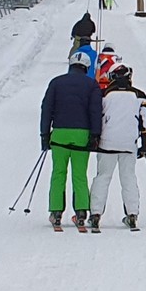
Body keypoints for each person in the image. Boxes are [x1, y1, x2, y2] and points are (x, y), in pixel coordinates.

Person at [40, 54, 104, 231]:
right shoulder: (92, 85)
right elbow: (95, 111)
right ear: (86, 67)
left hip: (59, 134)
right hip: (81, 135)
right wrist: (95, 135)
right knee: (79, 174)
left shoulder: (56, 82)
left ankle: (56, 212)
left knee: (58, 173)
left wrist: (44, 135)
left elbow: (46, 109)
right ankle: (81, 212)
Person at [90, 64, 146, 232]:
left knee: (102, 177)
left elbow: (96, 117)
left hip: (107, 143)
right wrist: (145, 147)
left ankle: (95, 215)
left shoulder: (104, 95)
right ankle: (132, 215)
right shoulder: (140, 96)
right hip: (128, 144)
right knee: (128, 178)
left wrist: (94, 139)